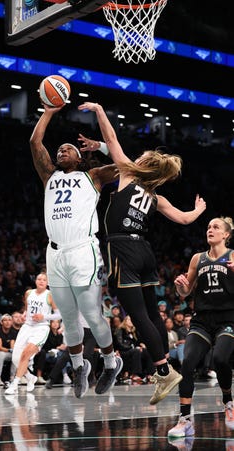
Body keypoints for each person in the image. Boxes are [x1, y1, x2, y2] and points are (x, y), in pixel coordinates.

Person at [77, 101, 206, 405]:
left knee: (137, 314)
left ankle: (163, 371)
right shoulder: (154, 195)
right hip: (145, 250)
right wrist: (198, 210)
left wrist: (99, 110)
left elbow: (112, 141)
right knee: (151, 312)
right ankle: (167, 368)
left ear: (143, 164)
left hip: (123, 247)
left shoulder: (128, 174)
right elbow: (184, 219)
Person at [29, 101, 123, 399]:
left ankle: (111, 362)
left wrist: (103, 146)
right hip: (55, 254)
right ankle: (79, 365)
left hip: (84, 250)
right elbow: (35, 142)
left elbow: (125, 165)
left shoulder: (92, 177)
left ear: (81, 157)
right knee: (69, 318)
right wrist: (48, 112)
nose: (61, 151)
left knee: (92, 316)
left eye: (68, 149)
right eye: (60, 150)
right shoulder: (50, 177)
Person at [168, 216, 234, 438]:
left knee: (221, 360)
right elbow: (186, 291)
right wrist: (181, 288)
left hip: (228, 319)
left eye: (216, 227)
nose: (210, 230)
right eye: (208, 227)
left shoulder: (233, 256)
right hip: (202, 320)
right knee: (187, 363)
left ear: (226, 234)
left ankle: (228, 403)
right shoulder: (198, 258)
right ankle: (184, 420)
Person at [5, 272, 61, 395]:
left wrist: (44, 316)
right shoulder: (28, 293)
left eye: (44, 279)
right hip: (27, 327)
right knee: (16, 358)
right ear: (35, 281)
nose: (41, 281)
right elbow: (27, 308)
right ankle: (31, 377)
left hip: (41, 328)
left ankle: (15, 384)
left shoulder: (51, 295)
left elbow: (59, 314)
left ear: (47, 283)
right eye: (39, 278)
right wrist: (25, 314)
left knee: (25, 353)